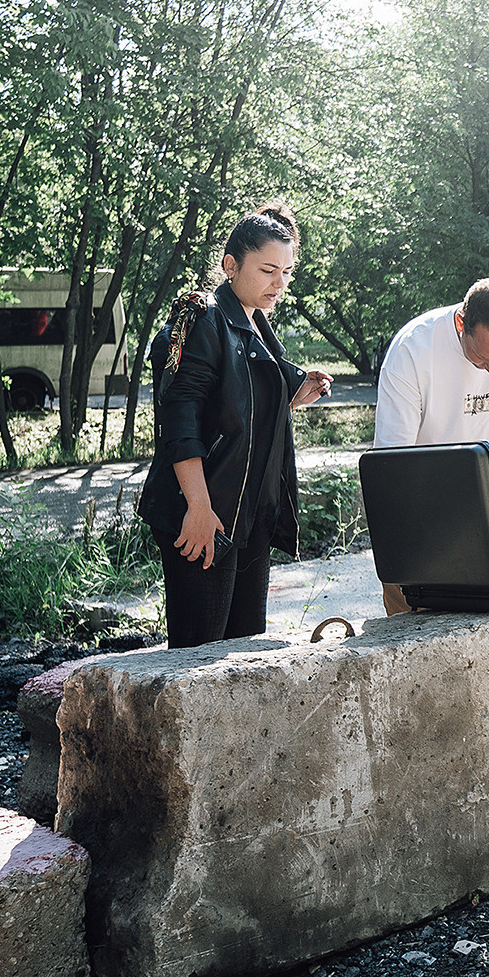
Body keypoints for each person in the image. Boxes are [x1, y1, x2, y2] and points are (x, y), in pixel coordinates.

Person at [138, 204, 333, 647]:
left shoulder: (256, 323)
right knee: (197, 658)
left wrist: (296, 392)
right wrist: (200, 509)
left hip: (249, 517)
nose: (279, 284)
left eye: (286, 273)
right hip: (205, 513)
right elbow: (179, 422)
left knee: (243, 656)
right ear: (230, 265)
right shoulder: (203, 319)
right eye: (268, 270)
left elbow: (245, 411)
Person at [373, 277, 489, 614]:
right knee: (412, 628)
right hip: (414, 508)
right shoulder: (414, 349)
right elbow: (392, 463)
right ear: (461, 322)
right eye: (482, 357)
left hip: (484, 506)